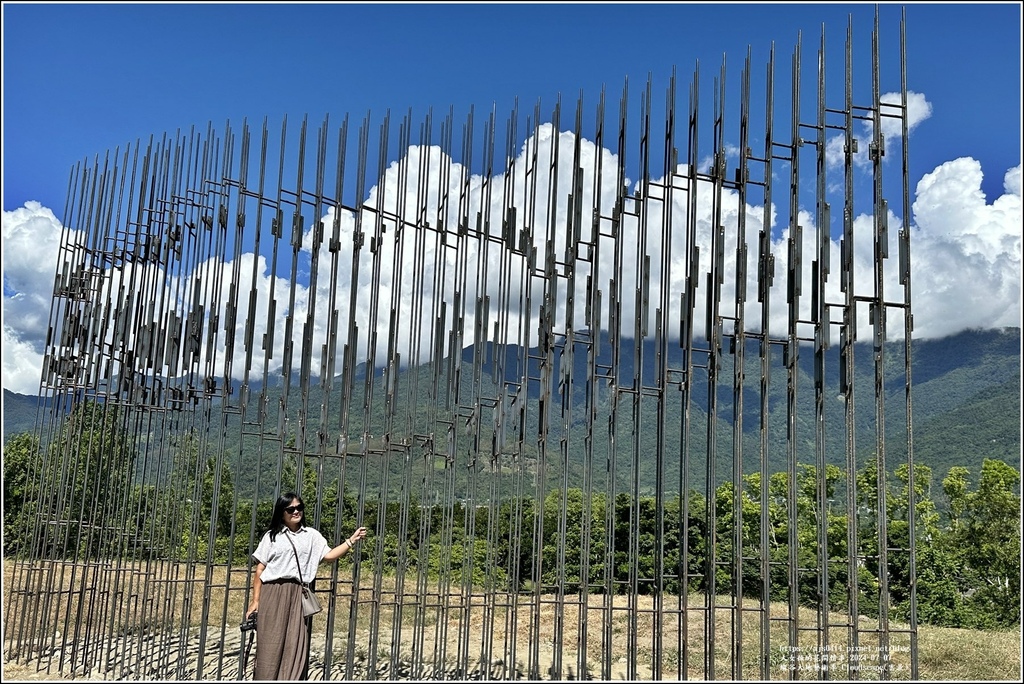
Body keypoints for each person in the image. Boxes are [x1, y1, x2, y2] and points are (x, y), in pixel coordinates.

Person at [245, 492, 367, 680]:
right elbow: (260, 570)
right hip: (273, 592)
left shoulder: (312, 536)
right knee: (270, 643)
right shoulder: (272, 536)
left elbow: (329, 556)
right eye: (290, 509)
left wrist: (351, 540)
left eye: (299, 507)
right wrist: (255, 601)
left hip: (298, 594)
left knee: (296, 644)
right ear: (282, 512)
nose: (296, 512)